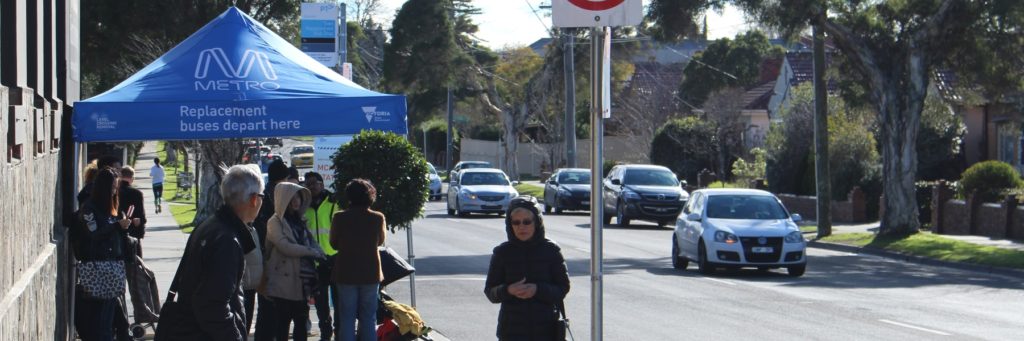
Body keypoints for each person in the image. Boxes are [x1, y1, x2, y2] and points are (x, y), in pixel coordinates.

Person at [154, 164, 264, 341]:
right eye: (261, 196)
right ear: (253, 199)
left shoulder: (210, 225)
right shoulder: (227, 240)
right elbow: (213, 305)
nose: (261, 202)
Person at [484, 196, 570, 341]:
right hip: (511, 331)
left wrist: (537, 289)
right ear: (510, 225)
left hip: (546, 331)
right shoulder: (502, 253)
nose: (521, 227)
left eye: (527, 222)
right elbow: (490, 291)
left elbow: (563, 288)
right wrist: (508, 290)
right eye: (516, 222)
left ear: (536, 222)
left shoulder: (551, 250)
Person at [74, 167, 132, 341]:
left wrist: (124, 227)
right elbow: (94, 234)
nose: (116, 190)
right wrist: (116, 226)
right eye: (113, 187)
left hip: (111, 268)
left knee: (111, 320)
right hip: (98, 269)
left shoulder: (110, 209)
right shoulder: (89, 209)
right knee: (101, 322)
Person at [264, 182, 326, 341]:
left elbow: (311, 242)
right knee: (282, 324)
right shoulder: (275, 221)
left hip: (301, 281)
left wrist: (320, 253)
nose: (296, 201)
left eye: (298, 197)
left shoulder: (300, 221)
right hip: (282, 281)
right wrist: (311, 253)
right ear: (283, 199)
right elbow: (284, 246)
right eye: (291, 197)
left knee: (301, 322)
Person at [330, 179, 385, 341]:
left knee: (347, 317)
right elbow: (380, 241)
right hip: (370, 273)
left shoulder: (339, 217)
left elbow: (333, 244)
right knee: (369, 317)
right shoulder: (377, 218)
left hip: (345, 273)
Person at [251, 159, 290, 340]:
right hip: (275, 259)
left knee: (265, 310)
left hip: (261, 258)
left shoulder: (262, 196)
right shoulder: (279, 198)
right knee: (275, 310)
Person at [304, 172, 339, 341]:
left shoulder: (334, 203)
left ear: (322, 184)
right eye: (307, 184)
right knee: (321, 304)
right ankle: (326, 333)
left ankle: (339, 331)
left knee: (339, 302)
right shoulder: (303, 206)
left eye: (314, 183)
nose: (311, 187)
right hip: (315, 263)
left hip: (334, 260)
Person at [119, 166, 147, 241]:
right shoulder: (137, 193)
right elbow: (140, 214)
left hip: (118, 228)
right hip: (133, 230)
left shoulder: (115, 191)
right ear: (132, 178)